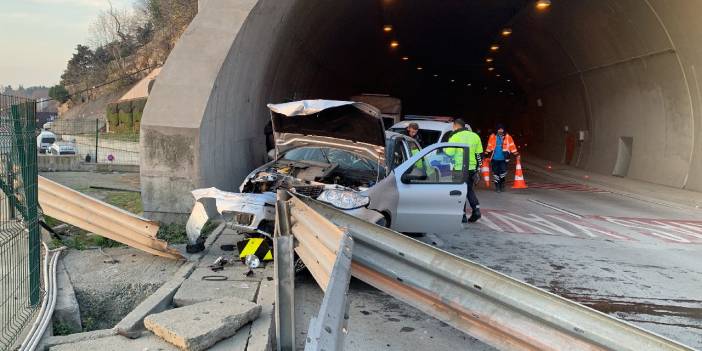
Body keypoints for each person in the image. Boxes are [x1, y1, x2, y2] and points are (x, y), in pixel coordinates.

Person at [445, 118, 483, 223]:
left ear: (455, 126)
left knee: (460, 192)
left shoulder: (454, 136)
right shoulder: (475, 136)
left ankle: (462, 215)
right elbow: (479, 154)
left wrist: (443, 149)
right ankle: (476, 210)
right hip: (471, 168)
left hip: (459, 168)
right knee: (469, 190)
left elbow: (449, 153)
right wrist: (478, 169)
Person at [485, 123, 518, 192]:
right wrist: (486, 154)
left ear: (504, 130)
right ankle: (497, 187)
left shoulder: (508, 137)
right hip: (494, 158)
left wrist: (516, 154)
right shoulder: (492, 136)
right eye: (499, 129)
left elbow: (512, 146)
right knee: (496, 173)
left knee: (503, 172)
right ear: (496, 130)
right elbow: (489, 146)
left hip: (504, 159)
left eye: (502, 129)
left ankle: (502, 184)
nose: (500, 130)